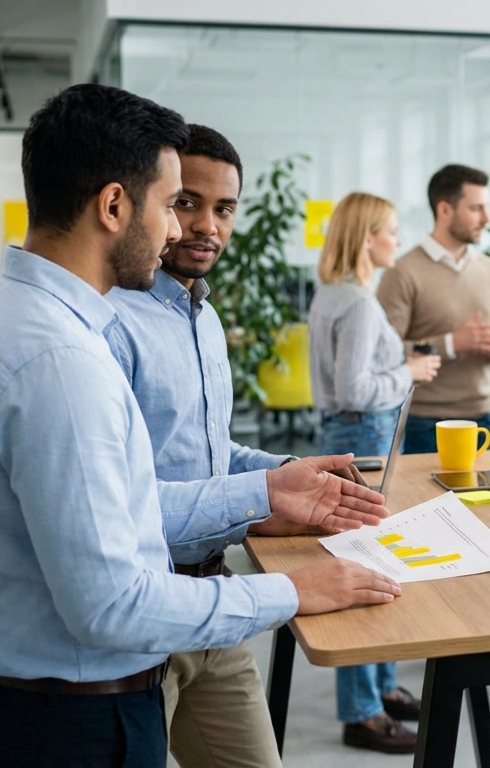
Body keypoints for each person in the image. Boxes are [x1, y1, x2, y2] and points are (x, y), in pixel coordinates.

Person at [0, 84, 402, 767]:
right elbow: (110, 604)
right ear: (114, 205)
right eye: (169, 204)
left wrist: (267, 491)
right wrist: (293, 590)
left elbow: (116, 507)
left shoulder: (8, 317)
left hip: (45, 704)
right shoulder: (61, 359)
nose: (181, 229)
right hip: (72, 720)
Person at [105, 124, 367, 767]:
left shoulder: (204, 314)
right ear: (152, 204)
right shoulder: (112, 321)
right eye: (187, 202)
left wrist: (289, 469)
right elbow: (122, 500)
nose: (205, 226)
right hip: (144, 611)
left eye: (224, 209)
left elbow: (208, 449)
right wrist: (267, 492)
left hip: (216, 602)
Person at [310, 191, 443, 753]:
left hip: (353, 437)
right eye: (390, 229)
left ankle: (382, 688)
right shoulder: (361, 304)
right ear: (367, 238)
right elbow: (356, 391)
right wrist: (409, 370)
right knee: (365, 570)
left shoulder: (337, 295)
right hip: (361, 437)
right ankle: (362, 712)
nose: (397, 237)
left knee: (378, 561)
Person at [376, 164, 490, 454]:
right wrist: (451, 344)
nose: (486, 218)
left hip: (484, 417)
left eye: (486, 208)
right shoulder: (402, 272)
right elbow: (383, 354)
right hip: (424, 422)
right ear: (445, 210)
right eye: (476, 208)